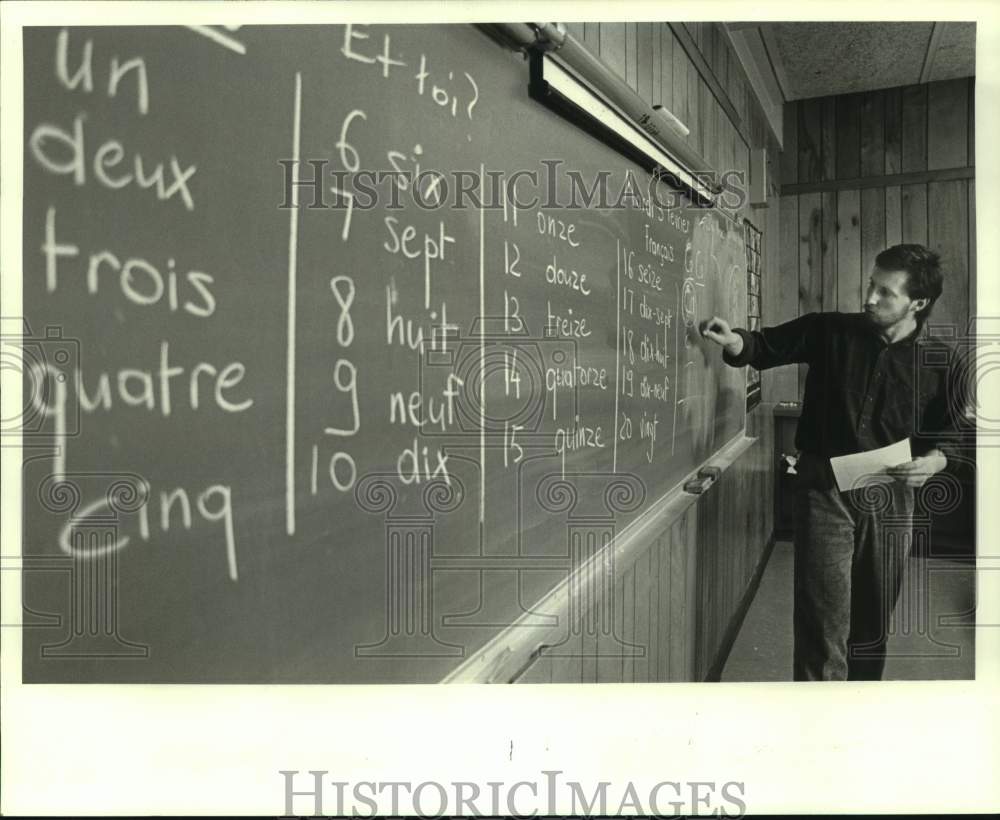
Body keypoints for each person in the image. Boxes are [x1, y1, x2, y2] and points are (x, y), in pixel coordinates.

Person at [701, 243, 966, 681]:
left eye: (885, 293)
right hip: (823, 491)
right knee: (821, 626)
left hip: (891, 498)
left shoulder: (941, 362)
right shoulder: (830, 330)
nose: (869, 299)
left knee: (872, 620)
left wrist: (936, 461)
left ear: (917, 303)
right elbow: (764, 346)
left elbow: (955, 432)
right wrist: (734, 341)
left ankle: (857, 714)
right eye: (870, 286)